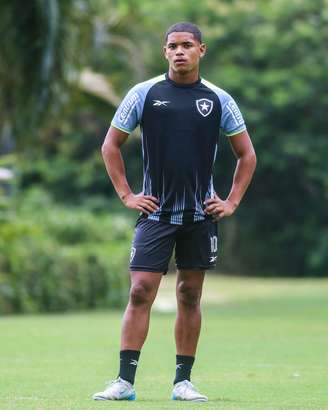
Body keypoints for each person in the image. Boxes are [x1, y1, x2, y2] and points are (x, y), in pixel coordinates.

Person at [93, 21, 256, 402]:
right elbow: (110, 146)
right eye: (172, 46)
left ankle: (183, 382)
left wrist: (231, 201)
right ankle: (124, 382)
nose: (179, 51)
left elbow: (247, 154)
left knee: (188, 294)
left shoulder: (218, 100)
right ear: (164, 51)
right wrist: (127, 195)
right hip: (155, 214)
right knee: (139, 292)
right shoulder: (143, 93)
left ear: (201, 50)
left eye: (186, 45)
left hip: (201, 216)